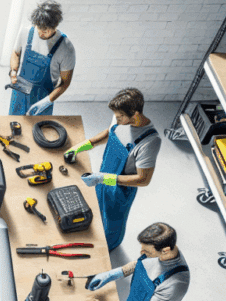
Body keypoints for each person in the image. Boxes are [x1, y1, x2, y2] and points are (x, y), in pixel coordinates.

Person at [66, 87, 161, 251]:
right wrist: (80, 147)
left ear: (135, 115)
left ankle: (107, 248)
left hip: (120, 189)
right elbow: (109, 133)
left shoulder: (150, 142)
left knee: (112, 222)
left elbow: (143, 179)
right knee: (96, 209)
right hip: (102, 176)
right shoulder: (121, 117)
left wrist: (104, 178)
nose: (116, 120)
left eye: (119, 117)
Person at [8, 0, 75, 116]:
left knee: (38, 131)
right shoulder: (25, 32)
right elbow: (16, 53)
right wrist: (13, 71)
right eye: (39, 29)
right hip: (20, 93)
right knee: (13, 126)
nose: (42, 34)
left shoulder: (66, 47)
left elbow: (65, 83)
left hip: (43, 97)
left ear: (56, 25)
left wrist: (47, 101)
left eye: (47, 31)